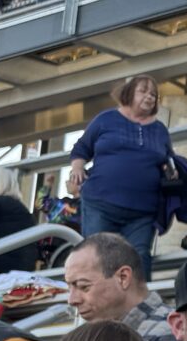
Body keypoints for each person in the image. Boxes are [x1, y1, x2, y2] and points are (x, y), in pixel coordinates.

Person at [67, 77, 175, 264]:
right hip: (101, 205)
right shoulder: (106, 120)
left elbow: (168, 160)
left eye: (153, 94)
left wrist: (172, 171)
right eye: (143, 91)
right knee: (99, 258)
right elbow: (81, 148)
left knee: (138, 259)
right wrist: (77, 167)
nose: (149, 97)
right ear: (129, 93)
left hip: (142, 212)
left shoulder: (160, 130)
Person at [62, 231, 181, 341]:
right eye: (69, 288)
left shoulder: (166, 333)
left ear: (123, 278)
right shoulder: (91, 337)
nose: (72, 300)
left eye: (83, 286)